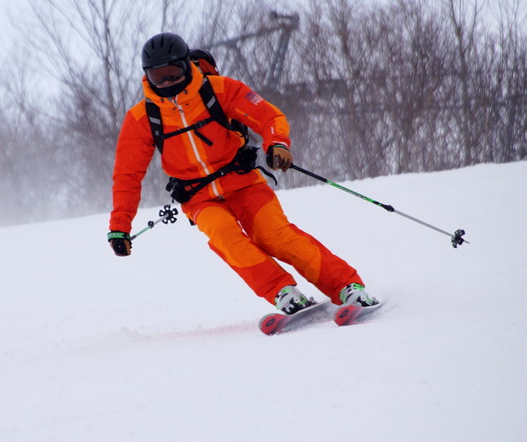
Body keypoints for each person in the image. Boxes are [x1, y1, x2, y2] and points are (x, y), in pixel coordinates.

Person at [107, 32, 377, 315]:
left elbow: (268, 116)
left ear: (187, 66)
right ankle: (283, 293)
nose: (166, 83)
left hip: (245, 183)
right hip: (198, 198)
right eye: (157, 76)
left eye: (173, 74)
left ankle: (347, 286)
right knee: (225, 237)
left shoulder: (221, 90)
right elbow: (127, 174)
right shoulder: (142, 117)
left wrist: (277, 144)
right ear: (146, 76)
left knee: (273, 236)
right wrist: (119, 226)